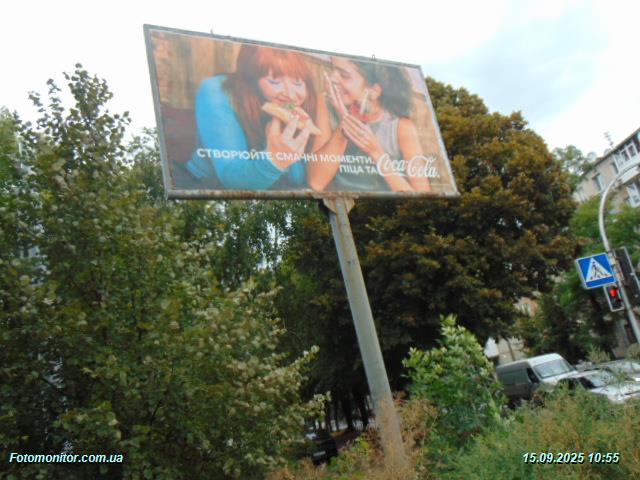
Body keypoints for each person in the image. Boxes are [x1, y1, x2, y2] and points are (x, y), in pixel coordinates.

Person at [187, 44, 329, 190]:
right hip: (206, 187)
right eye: (274, 81)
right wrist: (275, 161)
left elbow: (297, 178)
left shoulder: (292, 107)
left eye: (298, 82)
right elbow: (230, 176)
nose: (291, 95)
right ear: (251, 79)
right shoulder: (216, 90)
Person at [308, 57, 431, 192]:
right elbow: (316, 182)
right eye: (332, 69)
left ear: (374, 91)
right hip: (340, 200)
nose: (332, 78)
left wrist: (376, 152)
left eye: (344, 75)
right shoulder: (326, 102)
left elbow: (422, 195)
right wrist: (345, 125)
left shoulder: (401, 127)